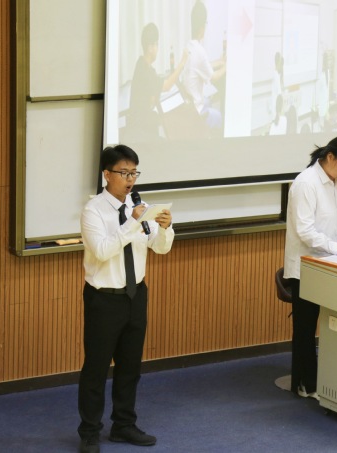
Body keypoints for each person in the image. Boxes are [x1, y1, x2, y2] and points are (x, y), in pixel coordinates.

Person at [77, 145, 174, 453]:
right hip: (104, 299)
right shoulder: (93, 210)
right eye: (124, 173)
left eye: (134, 173)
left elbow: (159, 248)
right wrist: (132, 222)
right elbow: (103, 250)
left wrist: (165, 229)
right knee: (96, 368)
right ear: (107, 175)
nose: (130, 179)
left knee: (130, 366)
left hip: (136, 295)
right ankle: (89, 432)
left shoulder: (139, 207)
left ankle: (124, 425)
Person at [283, 135, 337, 400]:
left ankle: (335, 380)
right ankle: (306, 384)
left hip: (336, 263)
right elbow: (305, 231)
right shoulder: (305, 183)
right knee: (306, 329)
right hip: (307, 266)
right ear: (330, 157)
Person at [128, 23, 188, 140]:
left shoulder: (141, 64)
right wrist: (182, 63)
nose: (157, 49)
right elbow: (166, 86)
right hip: (141, 130)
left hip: (143, 124)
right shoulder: (145, 70)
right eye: (156, 44)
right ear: (150, 47)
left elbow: (152, 95)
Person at [183, 1, 226, 130]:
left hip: (190, 105)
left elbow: (202, 66)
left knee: (209, 100)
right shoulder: (200, 51)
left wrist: (220, 62)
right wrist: (227, 66)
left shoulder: (189, 46)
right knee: (221, 117)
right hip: (197, 112)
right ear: (202, 28)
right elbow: (214, 77)